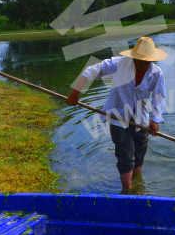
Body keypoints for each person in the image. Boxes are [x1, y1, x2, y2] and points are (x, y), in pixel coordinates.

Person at [65, 36, 168, 192]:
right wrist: (75, 92)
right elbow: (92, 70)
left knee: (140, 153)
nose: (143, 64)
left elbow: (159, 97)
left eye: (147, 61)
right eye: (140, 60)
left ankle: (137, 184)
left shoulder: (156, 73)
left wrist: (155, 120)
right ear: (134, 57)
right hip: (118, 118)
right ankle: (127, 189)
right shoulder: (119, 64)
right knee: (125, 154)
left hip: (141, 119)